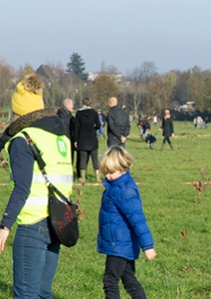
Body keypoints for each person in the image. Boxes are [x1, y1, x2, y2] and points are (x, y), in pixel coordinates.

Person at [0, 74, 71, 298]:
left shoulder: (23, 139)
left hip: (33, 226)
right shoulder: (60, 137)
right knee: (43, 293)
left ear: (16, 110)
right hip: (58, 223)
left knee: (26, 294)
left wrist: (5, 226)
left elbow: (22, 187)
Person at [97, 146, 156, 298]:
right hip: (120, 243)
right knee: (129, 279)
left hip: (119, 244)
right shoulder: (115, 187)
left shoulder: (123, 190)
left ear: (123, 168)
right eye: (106, 172)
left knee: (110, 281)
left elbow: (138, 219)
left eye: (111, 172)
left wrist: (147, 246)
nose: (108, 176)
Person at [73, 98, 102, 182]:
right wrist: (93, 128)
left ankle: (82, 178)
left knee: (83, 159)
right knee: (95, 159)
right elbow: (99, 125)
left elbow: (76, 127)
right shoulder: (94, 113)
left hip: (82, 138)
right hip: (92, 137)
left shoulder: (79, 113)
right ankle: (98, 177)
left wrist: (76, 140)